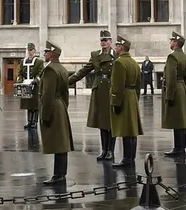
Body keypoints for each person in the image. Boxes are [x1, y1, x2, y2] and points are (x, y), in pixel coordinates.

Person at [68, 29, 115, 160]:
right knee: (101, 122)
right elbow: (84, 71)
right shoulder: (95, 55)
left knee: (110, 122)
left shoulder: (116, 55)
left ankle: (111, 150)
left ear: (111, 42)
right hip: (99, 89)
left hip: (111, 89)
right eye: (102, 40)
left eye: (106, 40)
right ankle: (104, 149)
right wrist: (67, 81)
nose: (104, 42)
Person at [38, 41, 72, 186]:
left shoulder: (50, 70)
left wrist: (45, 115)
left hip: (53, 106)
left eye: (46, 52)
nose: (44, 54)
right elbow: (65, 93)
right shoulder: (62, 69)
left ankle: (58, 175)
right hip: (61, 106)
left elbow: (47, 95)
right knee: (62, 143)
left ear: (51, 54)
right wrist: (63, 106)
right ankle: (60, 173)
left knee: (58, 143)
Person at [109, 36, 143, 169]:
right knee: (132, 130)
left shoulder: (119, 63)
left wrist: (115, 102)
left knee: (125, 130)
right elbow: (139, 84)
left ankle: (126, 159)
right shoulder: (134, 63)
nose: (115, 48)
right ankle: (131, 158)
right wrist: (135, 99)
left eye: (117, 46)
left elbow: (117, 85)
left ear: (121, 47)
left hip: (123, 97)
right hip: (132, 96)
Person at [161, 32, 186, 158]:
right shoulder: (185, 57)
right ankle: (181, 147)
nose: (170, 43)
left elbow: (171, 78)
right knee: (182, 121)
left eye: (171, 41)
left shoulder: (172, 57)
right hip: (182, 89)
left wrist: (169, 96)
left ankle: (177, 148)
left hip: (175, 89)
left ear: (175, 43)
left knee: (176, 120)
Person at [19, 43, 42, 130]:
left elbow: (40, 73)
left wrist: (35, 81)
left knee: (35, 105)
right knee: (28, 105)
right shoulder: (23, 61)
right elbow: (20, 73)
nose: (30, 52)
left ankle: (34, 122)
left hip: (34, 86)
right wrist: (19, 81)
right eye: (29, 50)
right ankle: (29, 121)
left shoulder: (38, 62)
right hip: (25, 84)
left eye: (31, 50)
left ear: (34, 51)